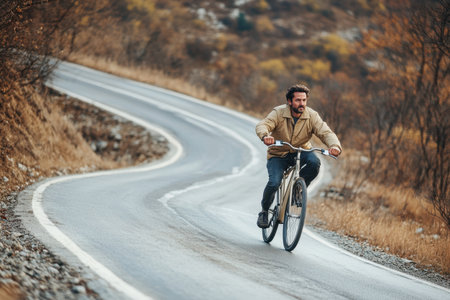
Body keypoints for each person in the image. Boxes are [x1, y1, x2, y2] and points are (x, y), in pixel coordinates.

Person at [255, 83, 342, 228]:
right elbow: (263, 125)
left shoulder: (311, 116)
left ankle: (298, 190)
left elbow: (325, 132)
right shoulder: (279, 112)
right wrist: (265, 136)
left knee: (315, 163)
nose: (302, 104)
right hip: (278, 154)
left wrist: (334, 146)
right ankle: (264, 211)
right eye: (298, 100)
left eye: (304, 100)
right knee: (274, 182)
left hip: (300, 152)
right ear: (290, 101)